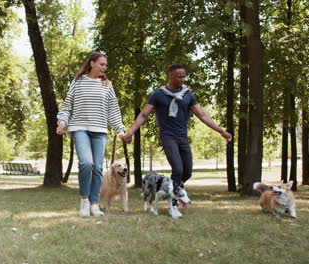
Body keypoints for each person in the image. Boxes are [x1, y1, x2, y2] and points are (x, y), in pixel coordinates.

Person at [122, 64, 232, 218]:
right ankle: (173, 205)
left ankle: (169, 190)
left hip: (182, 136)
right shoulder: (159, 94)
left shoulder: (188, 95)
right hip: (168, 136)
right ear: (171, 76)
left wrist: (221, 131)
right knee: (178, 169)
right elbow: (144, 115)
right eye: (179, 76)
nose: (182, 79)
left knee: (187, 171)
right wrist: (130, 132)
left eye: (184, 76)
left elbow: (202, 115)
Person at [56, 51, 125, 217]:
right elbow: (67, 106)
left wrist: (120, 130)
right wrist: (62, 122)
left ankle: (95, 204)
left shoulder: (107, 85)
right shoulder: (78, 82)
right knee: (86, 163)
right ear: (92, 63)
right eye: (102, 64)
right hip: (80, 128)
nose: (104, 68)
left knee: (98, 167)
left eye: (105, 65)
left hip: (100, 130)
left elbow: (113, 110)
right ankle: (84, 202)